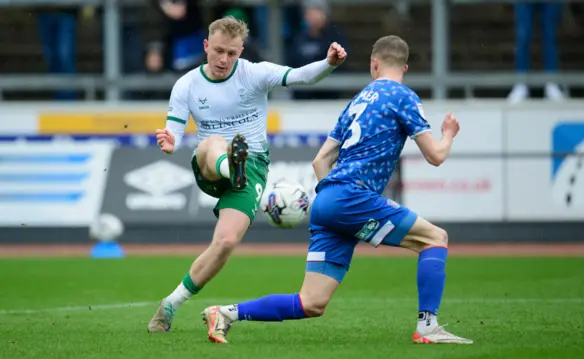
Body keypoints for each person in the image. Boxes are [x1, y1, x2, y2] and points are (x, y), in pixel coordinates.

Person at [200, 35, 473, 345]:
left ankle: (224, 313)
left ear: (374, 65)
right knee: (435, 239)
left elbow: (320, 161)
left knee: (311, 302)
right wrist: (448, 135)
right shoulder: (404, 96)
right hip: (353, 198)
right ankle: (428, 328)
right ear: (405, 68)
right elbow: (435, 156)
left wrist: (336, 204)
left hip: (328, 199)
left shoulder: (357, 101)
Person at [146, 16, 347, 333]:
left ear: (241, 51)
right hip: (210, 165)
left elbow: (301, 77)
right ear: (206, 46)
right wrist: (170, 142)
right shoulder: (186, 85)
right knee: (214, 142)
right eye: (218, 51)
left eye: (232, 53)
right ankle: (230, 166)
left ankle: (170, 304)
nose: (224, 59)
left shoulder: (255, 73)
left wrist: (329, 62)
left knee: (225, 242)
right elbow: (173, 131)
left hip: (252, 165)